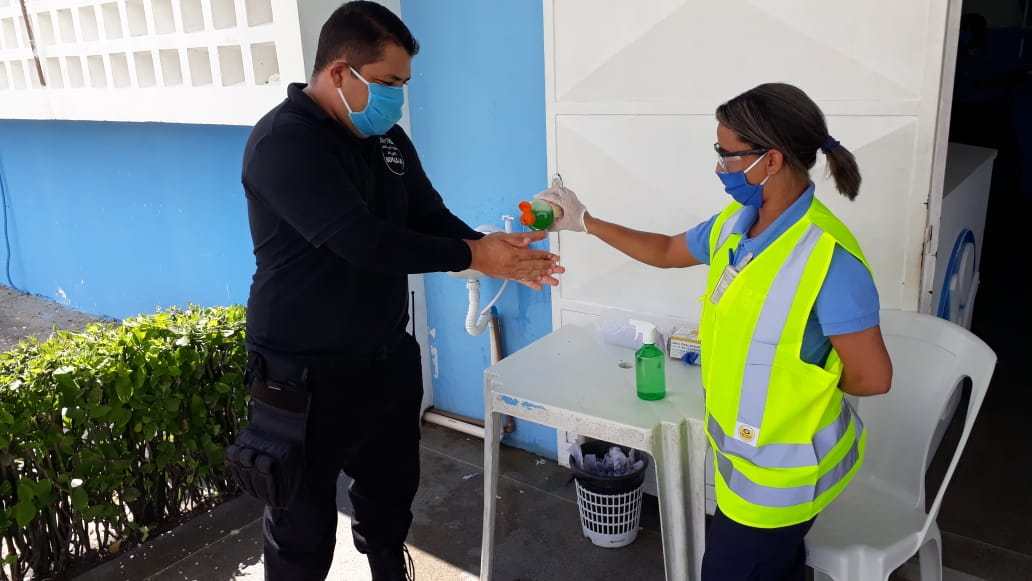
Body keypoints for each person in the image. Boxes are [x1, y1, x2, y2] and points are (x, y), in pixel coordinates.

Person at [236, 3, 562, 580]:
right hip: (301, 372)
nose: (397, 99)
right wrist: (472, 255)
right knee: (300, 526)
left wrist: (494, 252)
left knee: (389, 495)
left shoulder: (386, 140)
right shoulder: (283, 143)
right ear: (340, 72)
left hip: (383, 356)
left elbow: (428, 215)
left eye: (404, 85)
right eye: (387, 83)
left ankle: (389, 565)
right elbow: (361, 242)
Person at [537, 83, 893, 581]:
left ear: (769, 161)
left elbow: (872, 377)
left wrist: (799, 393)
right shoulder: (737, 224)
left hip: (779, 481)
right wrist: (584, 221)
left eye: (727, 154)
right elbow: (664, 250)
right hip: (740, 462)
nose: (719, 165)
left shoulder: (828, 259)